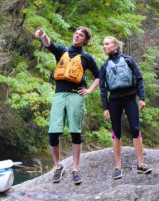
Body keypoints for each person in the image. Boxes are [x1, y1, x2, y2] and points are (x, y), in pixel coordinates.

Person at [34, 27, 100, 184]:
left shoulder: (87, 57)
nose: (77, 36)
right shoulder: (62, 51)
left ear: (85, 40)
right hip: (59, 95)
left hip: (76, 96)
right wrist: (43, 34)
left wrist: (89, 90)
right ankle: (57, 166)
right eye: (76, 34)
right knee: (53, 132)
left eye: (81, 35)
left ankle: (75, 169)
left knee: (75, 132)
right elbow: (49, 43)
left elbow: (99, 76)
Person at [99, 36, 152, 180]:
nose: (104, 46)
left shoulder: (128, 60)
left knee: (135, 128)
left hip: (130, 98)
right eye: (103, 44)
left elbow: (139, 78)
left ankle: (141, 164)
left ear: (116, 46)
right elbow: (103, 89)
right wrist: (105, 107)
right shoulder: (104, 67)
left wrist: (141, 98)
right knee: (116, 131)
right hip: (114, 101)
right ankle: (117, 167)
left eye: (107, 44)